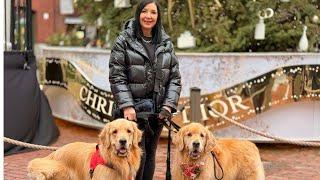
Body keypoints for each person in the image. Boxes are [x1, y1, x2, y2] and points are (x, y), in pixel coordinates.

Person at [109, 0, 181, 179]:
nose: (149, 16)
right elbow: (117, 76)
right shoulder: (124, 41)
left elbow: (174, 78)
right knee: (130, 157)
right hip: (131, 114)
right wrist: (127, 106)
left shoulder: (165, 43)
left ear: (158, 16)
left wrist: (168, 106)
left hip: (156, 114)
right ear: (138, 13)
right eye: (145, 12)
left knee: (149, 154)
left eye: (153, 12)